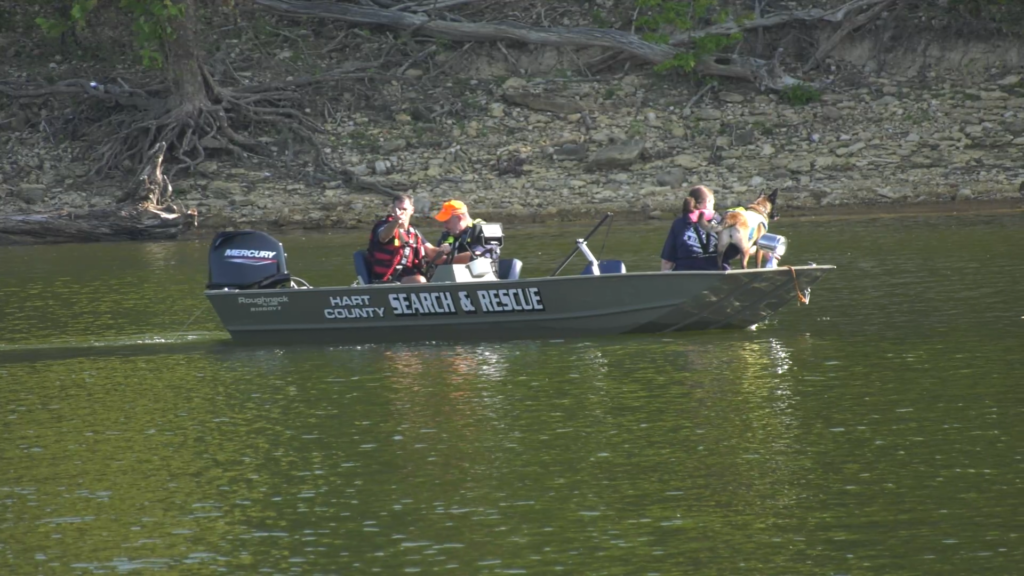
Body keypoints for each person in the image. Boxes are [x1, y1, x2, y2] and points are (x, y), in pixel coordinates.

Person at [367, 194, 444, 284]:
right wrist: (396, 221)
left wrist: (444, 250)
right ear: (393, 210)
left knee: (438, 274)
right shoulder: (383, 226)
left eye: (404, 209)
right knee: (419, 280)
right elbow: (383, 236)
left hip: (408, 276)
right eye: (398, 209)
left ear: (412, 210)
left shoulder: (413, 232)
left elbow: (431, 251)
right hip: (387, 280)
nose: (401, 213)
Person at [660, 185, 724, 271]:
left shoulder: (679, 224)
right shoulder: (723, 222)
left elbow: (667, 262)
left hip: (686, 277)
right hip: (719, 275)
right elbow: (739, 253)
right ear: (710, 202)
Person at [432, 199, 500, 267]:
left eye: (446, 222)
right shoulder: (447, 236)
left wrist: (444, 260)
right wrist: (439, 253)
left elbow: (477, 257)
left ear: (459, 218)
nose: (445, 226)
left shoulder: (486, 231)